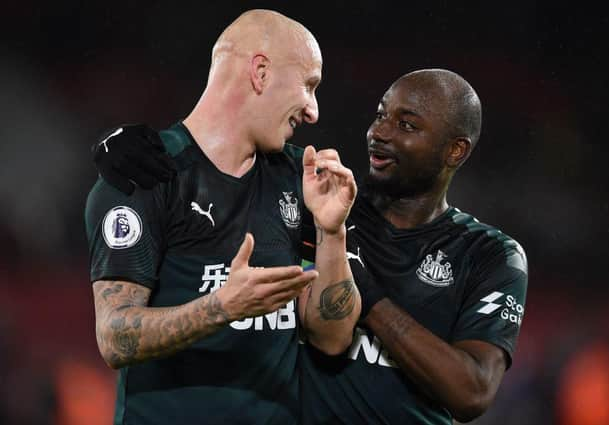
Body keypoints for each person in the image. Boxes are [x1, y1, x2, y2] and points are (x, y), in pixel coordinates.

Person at [93, 69, 528, 423]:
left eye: (407, 125)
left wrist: (365, 293)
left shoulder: (488, 254)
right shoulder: (317, 203)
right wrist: (126, 144)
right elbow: (223, 156)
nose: (380, 133)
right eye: (380, 116)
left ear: (455, 151)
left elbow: (471, 392)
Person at [84, 9, 359, 425]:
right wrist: (222, 307)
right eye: (309, 85)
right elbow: (115, 337)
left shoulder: (299, 180)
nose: (313, 111)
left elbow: (332, 338)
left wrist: (331, 230)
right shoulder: (146, 174)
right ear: (261, 72)